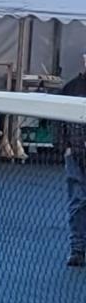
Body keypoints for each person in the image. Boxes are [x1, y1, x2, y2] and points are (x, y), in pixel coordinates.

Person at [59, 54, 86, 267]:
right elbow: (59, 120)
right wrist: (65, 148)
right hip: (75, 154)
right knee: (77, 201)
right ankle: (77, 249)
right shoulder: (71, 87)